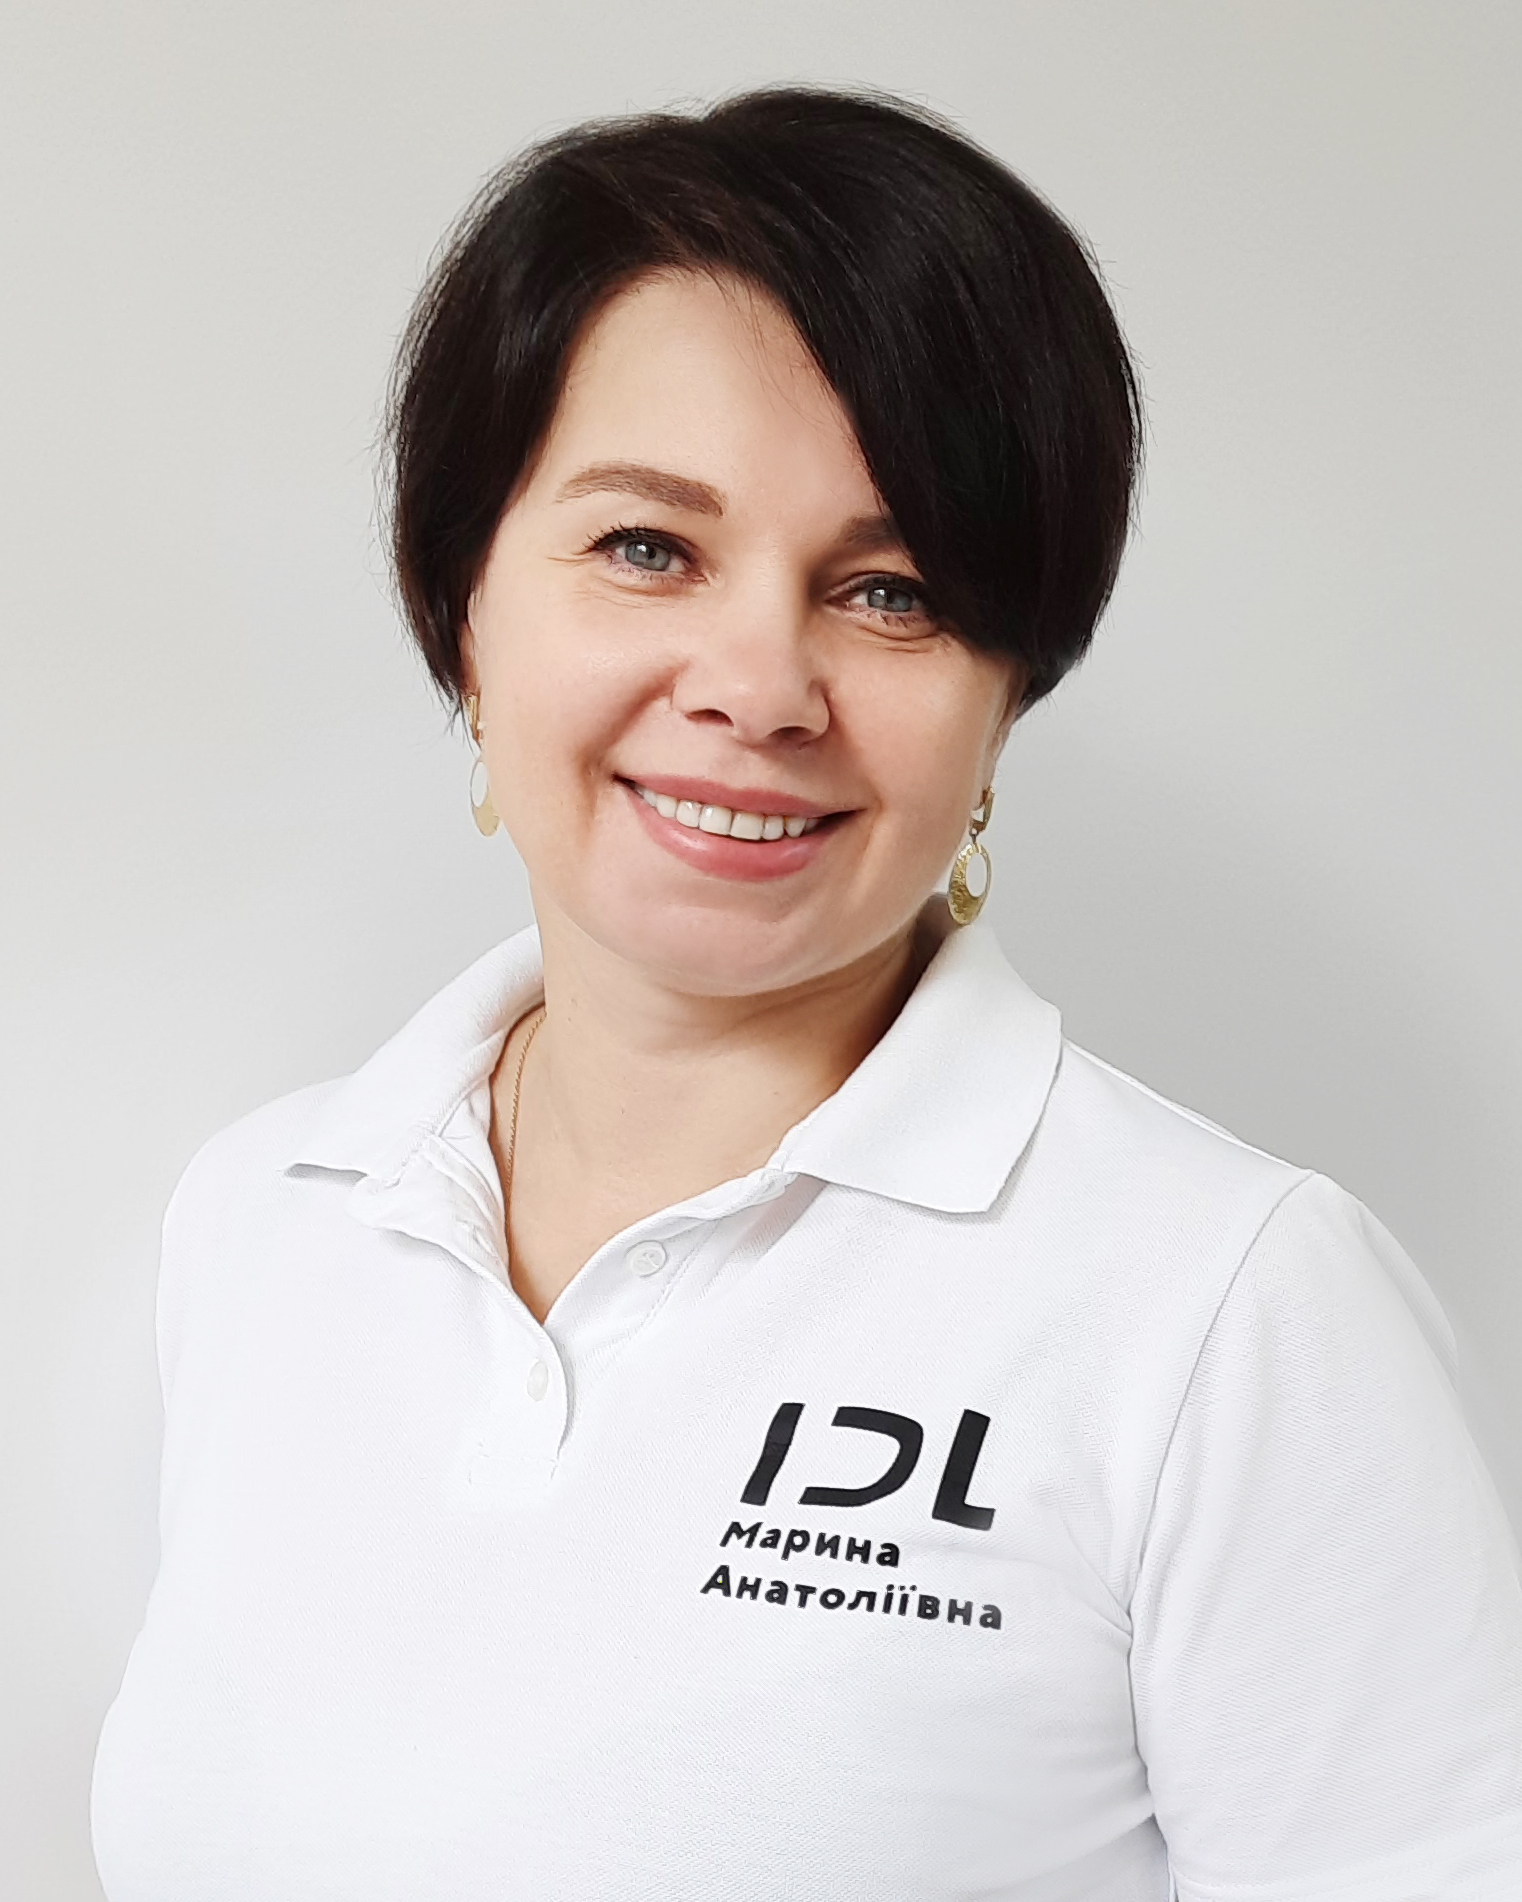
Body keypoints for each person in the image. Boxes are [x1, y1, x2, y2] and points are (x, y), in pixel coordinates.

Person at [90, 83, 1522, 1902]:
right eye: (647, 548)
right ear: (464, 605)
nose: (758, 684)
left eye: (892, 590)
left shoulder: (1230, 1308)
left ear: (1005, 695)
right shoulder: (261, 1218)